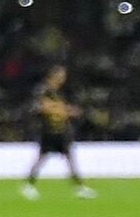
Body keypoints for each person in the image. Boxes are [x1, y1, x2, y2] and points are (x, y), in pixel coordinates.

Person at [23, 67, 94, 199]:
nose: (62, 79)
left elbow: (59, 108)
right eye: (60, 76)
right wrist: (63, 110)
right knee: (41, 158)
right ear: (53, 77)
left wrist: (68, 111)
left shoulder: (58, 93)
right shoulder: (43, 90)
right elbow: (41, 107)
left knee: (69, 159)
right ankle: (29, 185)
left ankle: (79, 187)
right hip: (49, 130)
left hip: (61, 130)